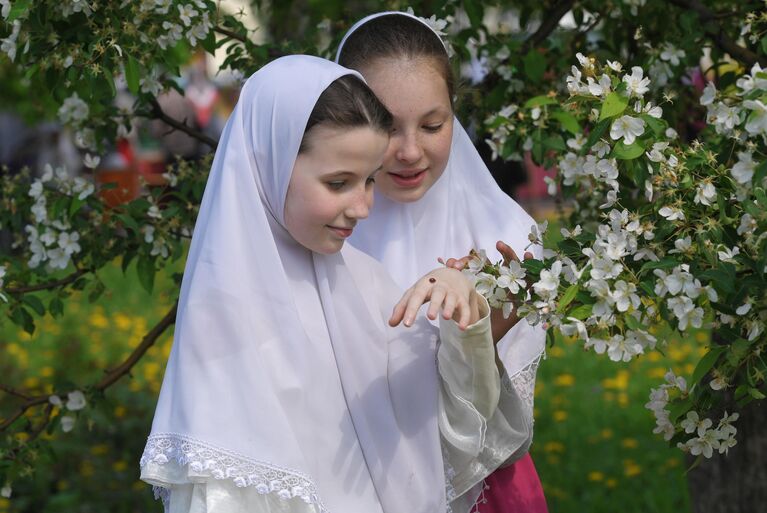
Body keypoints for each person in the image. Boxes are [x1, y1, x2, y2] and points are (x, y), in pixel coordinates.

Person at [139, 55, 532, 513]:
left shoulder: (367, 283)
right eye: (338, 182)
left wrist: (464, 326)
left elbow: (447, 438)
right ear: (269, 165)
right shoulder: (225, 316)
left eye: (368, 180)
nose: (362, 207)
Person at [336, 11, 549, 513]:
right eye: (387, 127)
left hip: (480, 491)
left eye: (433, 125)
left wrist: (483, 334)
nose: (410, 151)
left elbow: (499, 431)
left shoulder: (505, 240)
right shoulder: (323, 231)